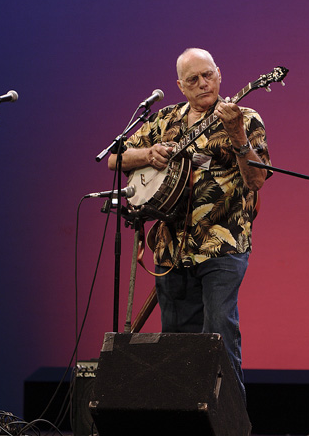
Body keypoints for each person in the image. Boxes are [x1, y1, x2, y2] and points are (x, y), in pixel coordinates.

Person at [108, 48, 271, 400]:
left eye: (208, 75)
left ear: (220, 74)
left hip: (223, 243)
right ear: (180, 86)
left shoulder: (245, 117)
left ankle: (230, 420)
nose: (203, 83)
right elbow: (114, 157)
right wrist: (148, 154)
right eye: (193, 79)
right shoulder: (166, 119)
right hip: (171, 247)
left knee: (219, 335)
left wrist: (238, 136)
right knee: (178, 343)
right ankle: (184, 419)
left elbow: (258, 180)